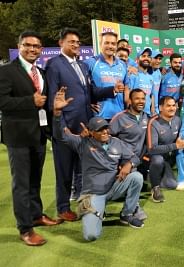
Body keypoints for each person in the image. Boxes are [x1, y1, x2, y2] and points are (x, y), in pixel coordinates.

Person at [53, 89, 145, 241]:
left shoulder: (116, 142)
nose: (104, 132)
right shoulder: (82, 143)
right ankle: (95, 211)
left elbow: (135, 157)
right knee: (91, 235)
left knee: (136, 177)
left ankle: (127, 214)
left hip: (114, 187)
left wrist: (129, 164)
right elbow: (60, 135)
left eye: (105, 128)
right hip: (94, 193)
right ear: (90, 132)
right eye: (99, 130)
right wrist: (57, 113)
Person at [0, 30, 62, 246]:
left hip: (38, 135)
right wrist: (29, 101)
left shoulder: (41, 72)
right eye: (28, 45)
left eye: (36, 46)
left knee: (35, 180)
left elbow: (42, 103)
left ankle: (36, 215)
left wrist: (54, 108)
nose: (32, 49)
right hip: (17, 137)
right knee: (22, 184)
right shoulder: (6, 71)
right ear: (20, 46)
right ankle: (25, 228)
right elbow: (3, 102)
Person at [46, 27, 93, 221]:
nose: (76, 45)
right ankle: (63, 208)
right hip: (65, 128)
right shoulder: (53, 64)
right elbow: (53, 99)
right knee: (64, 170)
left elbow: (89, 93)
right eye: (71, 41)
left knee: (82, 169)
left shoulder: (82, 66)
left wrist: (110, 90)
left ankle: (82, 202)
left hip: (84, 127)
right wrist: (61, 124)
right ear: (61, 43)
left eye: (78, 42)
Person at [109, 89, 149, 221]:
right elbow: (107, 139)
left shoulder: (146, 117)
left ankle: (131, 205)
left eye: (143, 98)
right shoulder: (119, 118)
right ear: (130, 101)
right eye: (137, 99)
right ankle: (133, 206)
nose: (140, 101)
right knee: (133, 172)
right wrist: (120, 160)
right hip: (121, 160)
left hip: (138, 159)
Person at [147, 96, 184, 201]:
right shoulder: (153, 122)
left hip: (169, 157)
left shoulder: (177, 120)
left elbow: (181, 139)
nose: (172, 108)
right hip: (154, 157)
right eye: (168, 106)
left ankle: (152, 174)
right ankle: (155, 187)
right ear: (161, 108)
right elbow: (151, 149)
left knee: (172, 184)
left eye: (173, 105)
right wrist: (175, 146)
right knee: (158, 160)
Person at [85, 32, 128, 120]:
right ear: (101, 44)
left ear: (116, 46)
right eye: (107, 43)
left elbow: (127, 89)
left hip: (119, 115)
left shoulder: (123, 65)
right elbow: (82, 87)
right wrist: (86, 103)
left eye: (113, 43)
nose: (110, 46)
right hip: (99, 116)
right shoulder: (90, 63)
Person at [126, 48, 154, 116]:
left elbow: (151, 95)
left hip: (147, 114)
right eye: (143, 56)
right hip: (134, 113)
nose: (146, 58)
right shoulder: (133, 75)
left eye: (148, 56)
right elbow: (128, 94)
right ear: (138, 59)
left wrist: (152, 109)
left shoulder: (151, 77)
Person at [149, 49, 164, 114]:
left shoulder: (158, 72)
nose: (158, 61)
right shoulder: (145, 72)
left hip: (156, 109)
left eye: (160, 59)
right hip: (147, 109)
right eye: (155, 58)